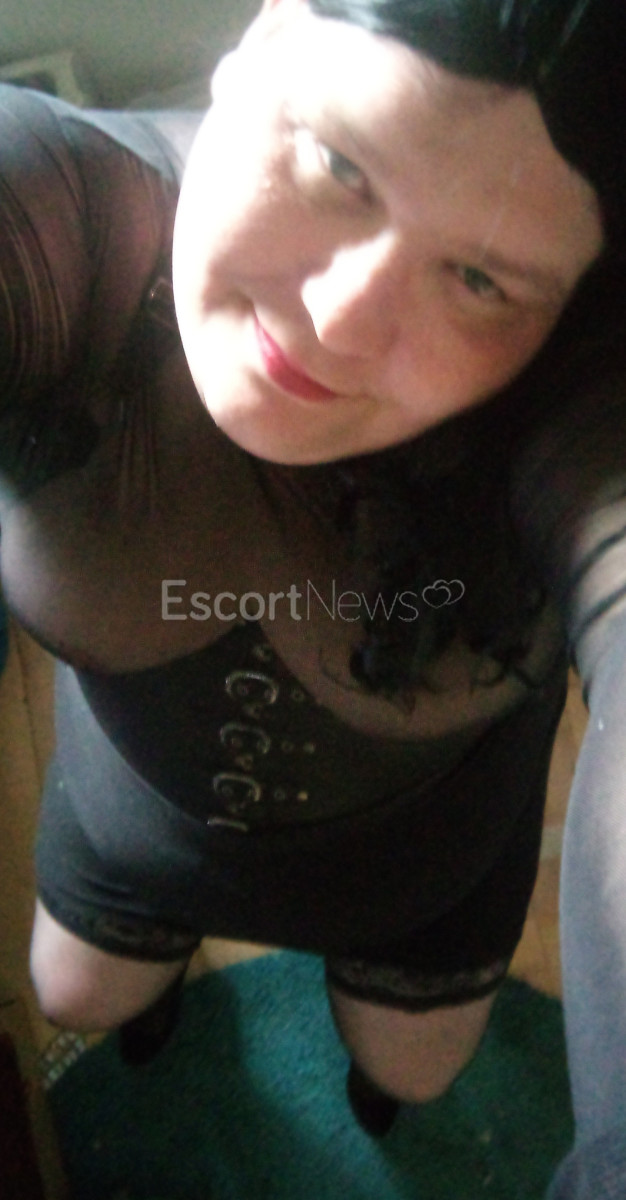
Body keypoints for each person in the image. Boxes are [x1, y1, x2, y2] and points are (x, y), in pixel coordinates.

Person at [0, 0, 623, 1191]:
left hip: (426, 884)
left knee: (413, 1075)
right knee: (73, 993)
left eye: (479, 279)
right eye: (339, 163)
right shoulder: (65, 223)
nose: (338, 317)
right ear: (266, 36)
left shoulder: (579, 405)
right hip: (124, 822)